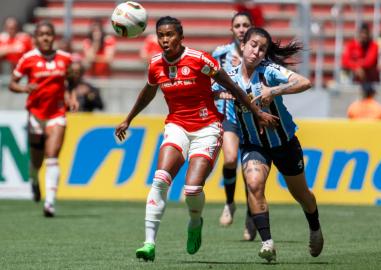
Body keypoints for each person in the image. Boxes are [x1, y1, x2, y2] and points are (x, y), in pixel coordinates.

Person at [114, 16, 278, 262]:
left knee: (191, 189)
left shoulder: (200, 60)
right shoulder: (156, 64)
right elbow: (149, 91)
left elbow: (233, 87)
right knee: (160, 179)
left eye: (170, 35)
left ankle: (194, 221)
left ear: (181, 37)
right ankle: (148, 243)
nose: (165, 40)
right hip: (177, 126)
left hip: (207, 128)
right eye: (161, 35)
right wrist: (128, 118)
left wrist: (257, 112)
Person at [214, 27, 323, 262]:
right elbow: (207, 91)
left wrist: (274, 90)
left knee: (302, 194)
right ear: (242, 46)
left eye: (262, 49)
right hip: (254, 145)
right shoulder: (228, 77)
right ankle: (267, 243)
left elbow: (304, 82)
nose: (257, 51)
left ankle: (315, 227)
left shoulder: (269, 72)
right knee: (254, 184)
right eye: (253, 45)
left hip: (284, 143)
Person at [8, 21, 78, 217]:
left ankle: (49, 203)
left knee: (52, 155)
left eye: (49, 34)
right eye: (41, 34)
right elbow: (12, 84)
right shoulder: (27, 59)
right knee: (37, 162)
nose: (46, 37)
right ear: (35, 38)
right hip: (36, 115)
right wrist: (24, 88)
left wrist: (71, 97)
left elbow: (72, 80)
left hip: (57, 113)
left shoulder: (65, 58)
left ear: (53, 37)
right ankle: (34, 180)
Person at [212, 11, 256, 240]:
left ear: (251, 28)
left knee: (252, 173)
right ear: (231, 30)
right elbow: (209, 86)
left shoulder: (259, 54)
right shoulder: (220, 54)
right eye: (237, 25)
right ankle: (230, 203)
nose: (241, 29)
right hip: (229, 116)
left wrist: (246, 68)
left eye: (245, 25)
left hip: (253, 119)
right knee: (230, 159)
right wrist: (220, 92)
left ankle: (252, 215)